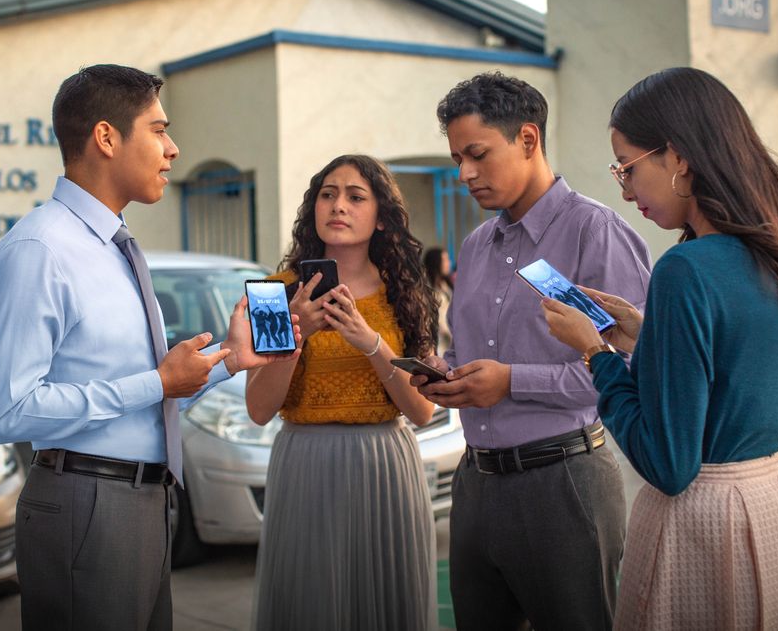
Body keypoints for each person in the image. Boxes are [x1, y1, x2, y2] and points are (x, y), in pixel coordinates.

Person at [0, 64, 299, 631]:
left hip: (148, 503)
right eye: (158, 129)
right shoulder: (41, 249)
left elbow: (145, 398)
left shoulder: (115, 247)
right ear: (106, 137)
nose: (173, 149)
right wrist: (157, 381)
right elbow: (6, 411)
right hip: (88, 504)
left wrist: (228, 359)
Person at [541, 67, 778, 629]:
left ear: (679, 157)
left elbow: (668, 464)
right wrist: (648, 334)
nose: (623, 188)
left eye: (628, 166)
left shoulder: (685, 268)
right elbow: (742, 370)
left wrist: (596, 356)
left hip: (704, 530)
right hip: (776, 508)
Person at [411, 72, 652, 631]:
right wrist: (446, 375)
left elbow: (632, 371)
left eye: (476, 154)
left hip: (563, 482)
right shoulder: (475, 247)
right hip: (475, 484)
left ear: (527, 139)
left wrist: (511, 380)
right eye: (456, 159)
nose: (465, 174)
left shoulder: (598, 234)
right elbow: (472, 355)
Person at [247, 154, 439, 630]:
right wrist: (298, 336)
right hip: (304, 465)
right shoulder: (276, 294)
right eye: (328, 194)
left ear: (380, 217)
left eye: (356, 197)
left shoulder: (406, 293)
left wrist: (371, 343)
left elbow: (421, 411)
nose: (339, 205)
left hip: (385, 465)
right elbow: (258, 408)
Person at [422, 246, 453, 353]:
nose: (448, 263)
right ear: (436, 262)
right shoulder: (428, 290)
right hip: (440, 341)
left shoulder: (445, 285)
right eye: (445, 260)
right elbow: (439, 319)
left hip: (450, 340)